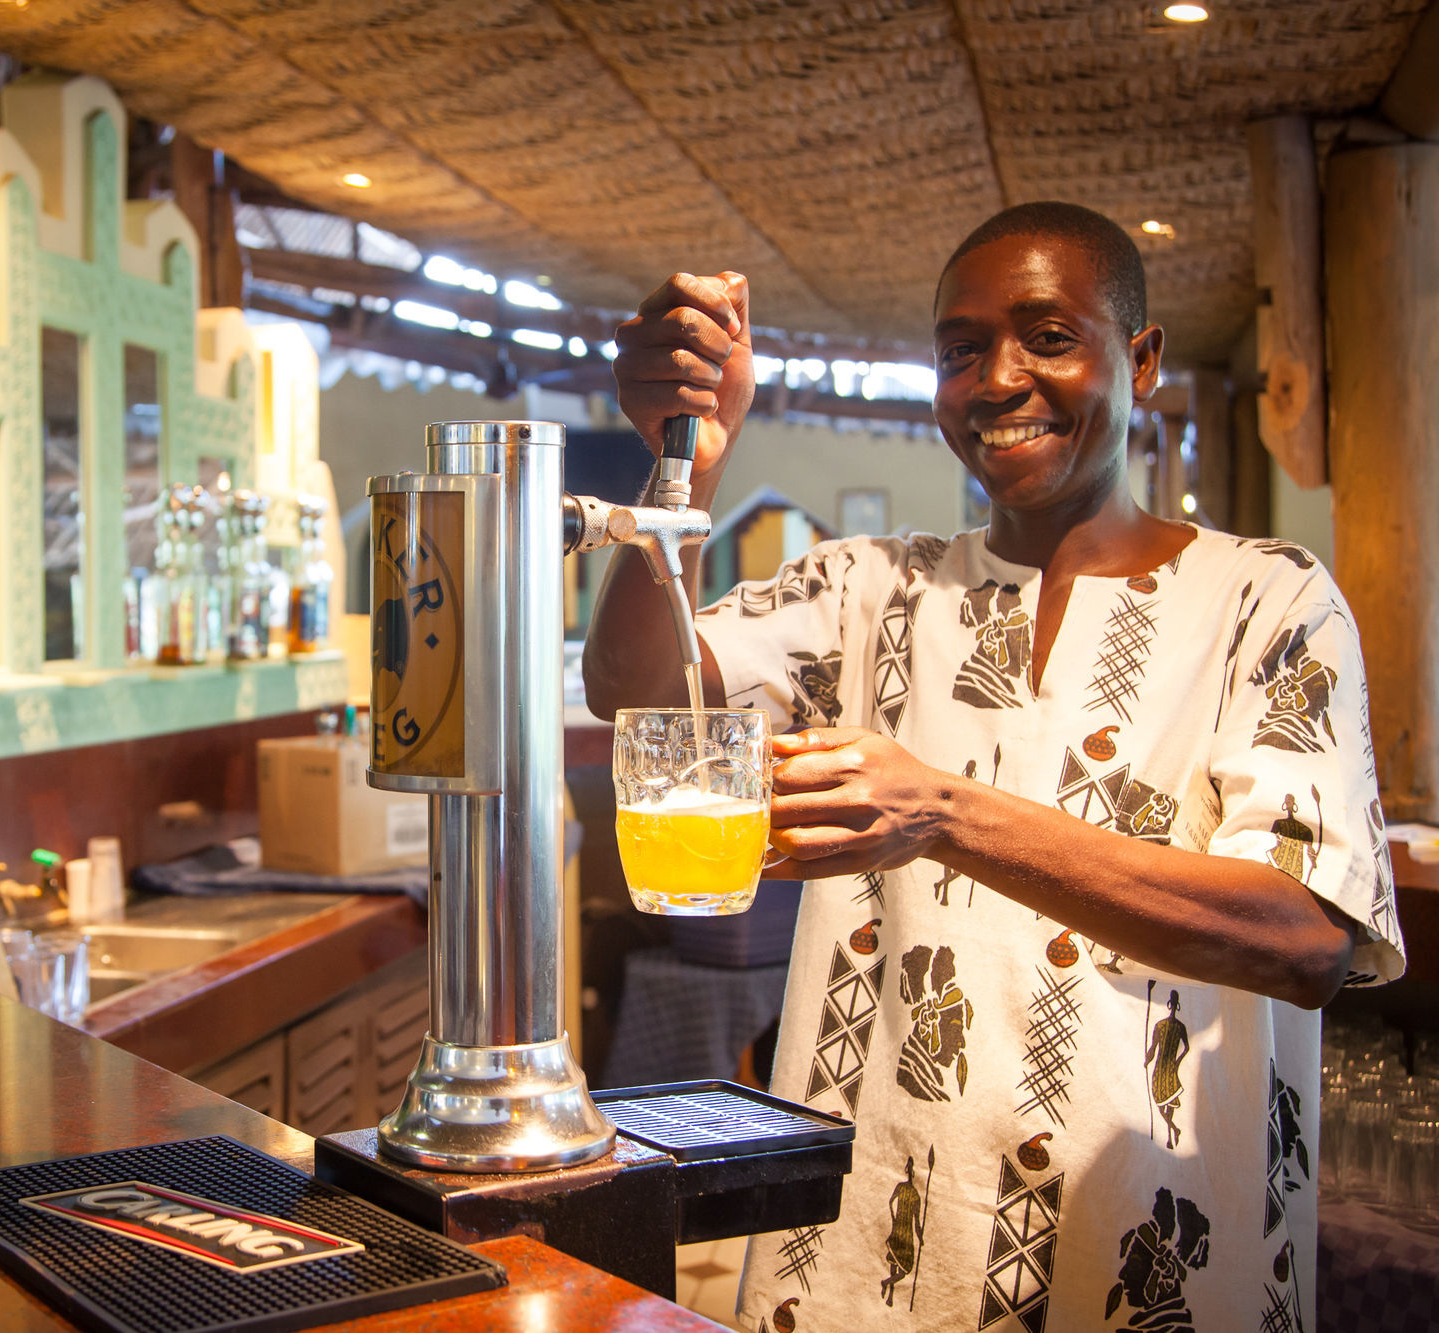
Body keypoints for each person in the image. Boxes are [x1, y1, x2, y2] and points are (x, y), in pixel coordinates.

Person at [585, 202, 1405, 1331]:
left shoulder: (1267, 599)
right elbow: (634, 693)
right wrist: (675, 469)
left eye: (1047, 337)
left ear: (1142, 361)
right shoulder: (862, 588)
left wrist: (942, 813)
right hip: (857, 1265)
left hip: (1149, 1265)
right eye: (959, 350)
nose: (996, 378)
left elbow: (1307, 936)